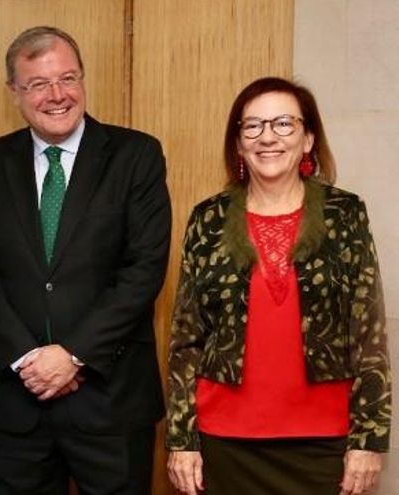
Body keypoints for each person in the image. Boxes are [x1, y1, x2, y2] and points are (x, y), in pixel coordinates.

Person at [0, 26, 171, 495]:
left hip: (110, 402)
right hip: (19, 405)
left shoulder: (136, 155)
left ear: (82, 79)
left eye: (68, 78)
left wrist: (72, 355)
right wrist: (29, 359)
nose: (57, 96)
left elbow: (143, 270)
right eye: (38, 84)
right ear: (14, 91)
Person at [166, 77, 391, 495]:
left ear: (308, 139)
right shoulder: (208, 219)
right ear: (238, 144)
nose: (267, 137)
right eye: (252, 126)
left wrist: (369, 440)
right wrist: (182, 440)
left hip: (323, 442)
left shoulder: (346, 214)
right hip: (225, 441)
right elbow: (185, 339)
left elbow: (369, 334)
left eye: (284, 124)